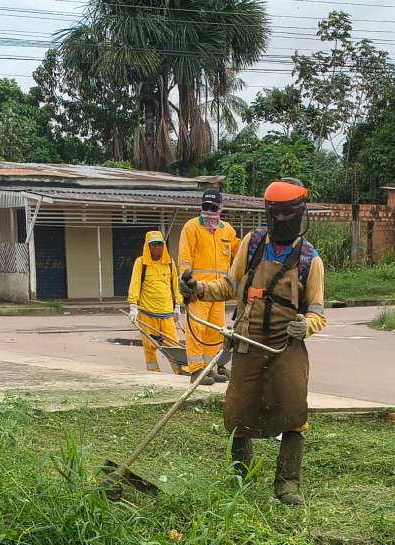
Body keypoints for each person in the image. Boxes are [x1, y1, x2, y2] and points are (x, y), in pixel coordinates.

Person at [180, 178, 326, 506]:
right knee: (238, 411)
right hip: (247, 341)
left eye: (287, 213)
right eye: (276, 213)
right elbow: (229, 285)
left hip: (285, 348)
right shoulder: (253, 243)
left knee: (293, 412)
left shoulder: (310, 260)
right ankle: (240, 476)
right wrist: (198, 289)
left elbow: (317, 312)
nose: (281, 219)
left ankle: (287, 483)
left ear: (299, 213)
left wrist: (306, 325)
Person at [179, 187, 240, 385]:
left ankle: (209, 367)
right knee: (196, 329)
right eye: (206, 207)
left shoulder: (228, 231)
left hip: (218, 292)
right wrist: (187, 284)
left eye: (213, 207)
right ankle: (196, 370)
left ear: (221, 208)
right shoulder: (191, 228)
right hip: (198, 290)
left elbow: (239, 255)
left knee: (215, 332)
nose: (209, 211)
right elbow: (185, 259)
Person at [126, 230, 182, 373]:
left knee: (173, 345)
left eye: (160, 244)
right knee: (149, 346)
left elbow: (175, 285)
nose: (157, 247)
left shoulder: (170, 263)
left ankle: (180, 371)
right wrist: (133, 306)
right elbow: (135, 284)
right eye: (154, 245)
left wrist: (177, 306)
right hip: (147, 313)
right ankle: (154, 373)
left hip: (167, 313)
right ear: (148, 246)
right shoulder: (141, 263)